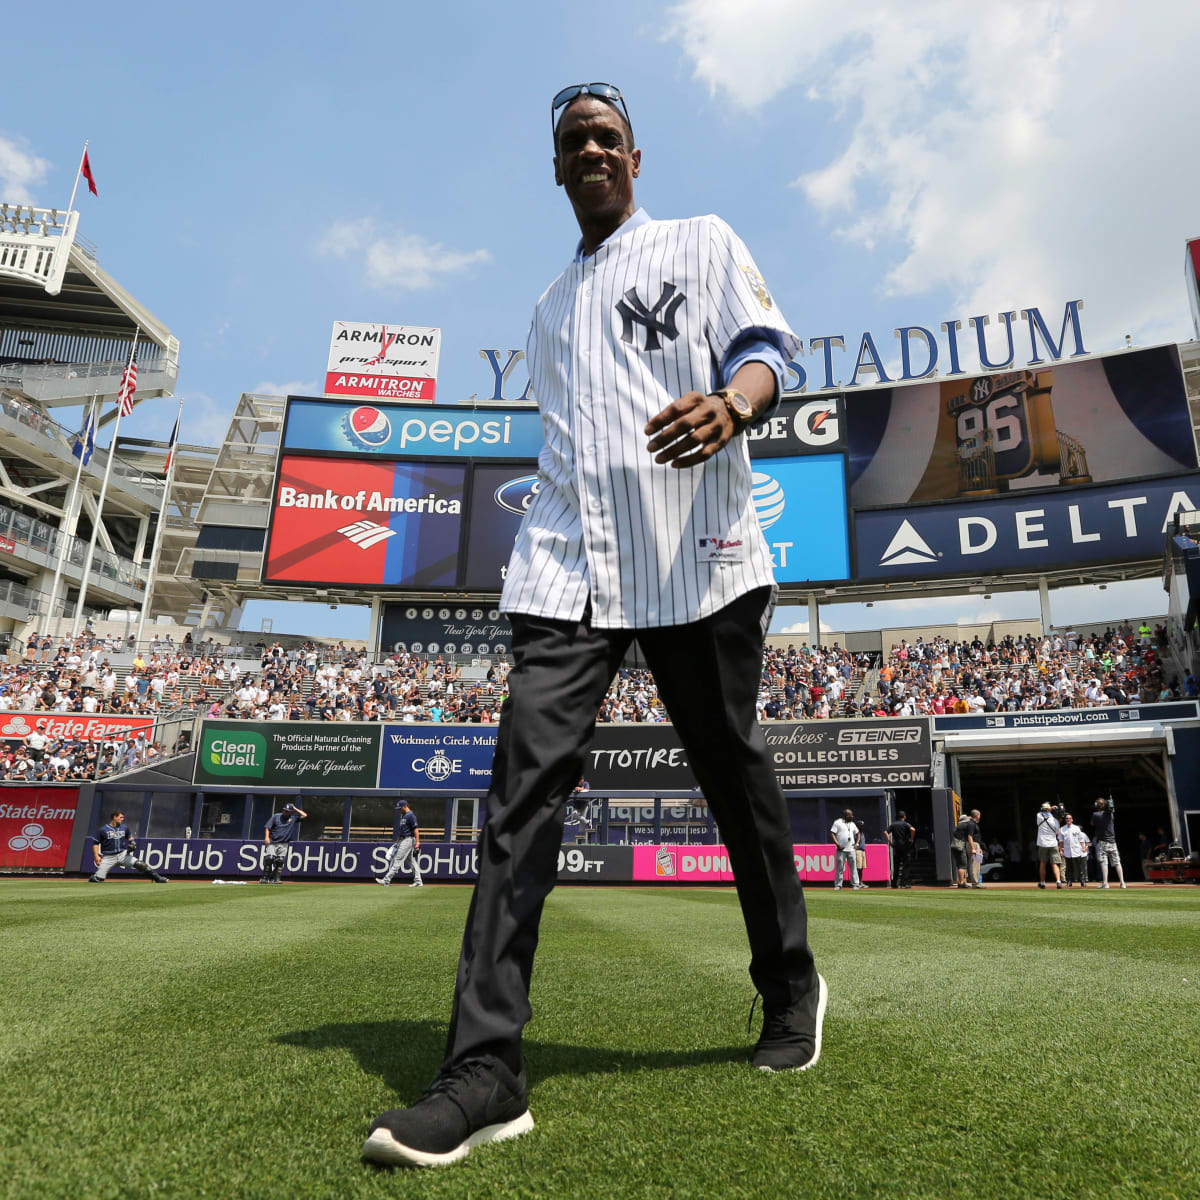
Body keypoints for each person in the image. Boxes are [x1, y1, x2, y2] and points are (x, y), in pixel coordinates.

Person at [362, 82, 824, 1170]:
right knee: (519, 798)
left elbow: (764, 345)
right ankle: (483, 1072)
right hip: (565, 569)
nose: (592, 152)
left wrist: (735, 406)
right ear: (558, 167)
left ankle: (790, 988)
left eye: (607, 137)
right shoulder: (544, 310)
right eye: (574, 141)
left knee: (729, 772)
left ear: (636, 156)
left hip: (695, 556)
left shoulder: (702, 242)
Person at [88, 811, 168, 883]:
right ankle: (94, 877)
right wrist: (96, 856)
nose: (122, 819)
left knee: (141, 865)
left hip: (123, 855)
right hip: (109, 857)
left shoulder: (124, 828)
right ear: (114, 817)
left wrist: (132, 843)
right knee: (98, 879)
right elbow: (96, 843)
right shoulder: (103, 830)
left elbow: (130, 837)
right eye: (120, 817)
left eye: (123, 817)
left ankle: (158, 878)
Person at [377, 799, 423, 888]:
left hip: (408, 840)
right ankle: (418, 881)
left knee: (397, 860)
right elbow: (401, 832)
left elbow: (416, 830)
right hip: (403, 839)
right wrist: (397, 843)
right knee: (411, 861)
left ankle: (386, 880)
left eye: (400, 808)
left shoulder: (411, 816)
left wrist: (418, 843)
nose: (399, 810)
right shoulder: (405, 816)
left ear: (405, 806)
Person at [261, 802, 307, 883]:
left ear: (291, 812)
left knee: (280, 860)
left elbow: (305, 815)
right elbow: (267, 827)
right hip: (273, 842)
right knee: (270, 858)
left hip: (284, 843)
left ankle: (275, 879)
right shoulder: (276, 816)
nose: (285, 812)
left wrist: (295, 808)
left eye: (287, 811)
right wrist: (267, 837)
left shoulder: (293, 818)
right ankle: (265, 878)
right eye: (284, 810)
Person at [1090, 797, 1127, 889]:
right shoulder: (1111, 814)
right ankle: (1122, 883)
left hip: (1102, 842)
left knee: (1103, 863)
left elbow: (1092, 824)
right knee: (1117, 862)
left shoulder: (1095, 815)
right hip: (1112, 841)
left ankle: (1105, 883)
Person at [831, 808, 862, 890]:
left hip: (851, 849)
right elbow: (832, 833)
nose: (852, 816)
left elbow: (858, 833)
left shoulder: (852, 824)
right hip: (841, 849)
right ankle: (838, 885)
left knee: (853, 867)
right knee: (840, 867)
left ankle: (855, 884)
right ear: (846, 815)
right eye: (851, 815)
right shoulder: (837, 822)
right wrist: (837, 844)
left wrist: (857, 843)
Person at [1035, 803, 1064, 890]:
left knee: (1043, 863)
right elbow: (1057, 832)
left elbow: (1043, 811)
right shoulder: (1055, 821)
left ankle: (1043, 882)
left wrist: (1050, 808)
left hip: (1042, 843)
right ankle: (1058, 882)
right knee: (1055, 864)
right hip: (1053, 843)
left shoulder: (1039, 816)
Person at [886, 810, 915, 889]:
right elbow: (913, 829)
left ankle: (894, 884)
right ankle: (904, 883)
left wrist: (890, 842)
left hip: (896, 846)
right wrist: (911, 839)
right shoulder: (906, 824)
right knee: (906, 864)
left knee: (896, 865)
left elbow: (885, 832)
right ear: (904, 817)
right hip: (905, 846)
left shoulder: (893, 825)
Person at [1059, 813, 1090, 887]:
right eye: (1067, 818)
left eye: (1070, 818)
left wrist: (1083, 847)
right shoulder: (1062, 829)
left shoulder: (1076, 828)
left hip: (1076, 849)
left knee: (1079, 867)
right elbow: (1061, 841)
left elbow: (1081, 839)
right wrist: (1061, 849)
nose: (1068, 819)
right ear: (1065, 820)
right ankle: (1069, 881)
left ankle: (1082, 881)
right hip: (1067, 850)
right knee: (1069, 867)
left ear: (1072, 819)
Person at [951, 810, 978, 889]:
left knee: (960, 864)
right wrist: (973, 848)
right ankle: (961, 883)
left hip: (954, 845)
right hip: (959, 846)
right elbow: (969, 837)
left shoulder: (959, 826)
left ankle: (962, 882)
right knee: (963, 864)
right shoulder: (966, 825)